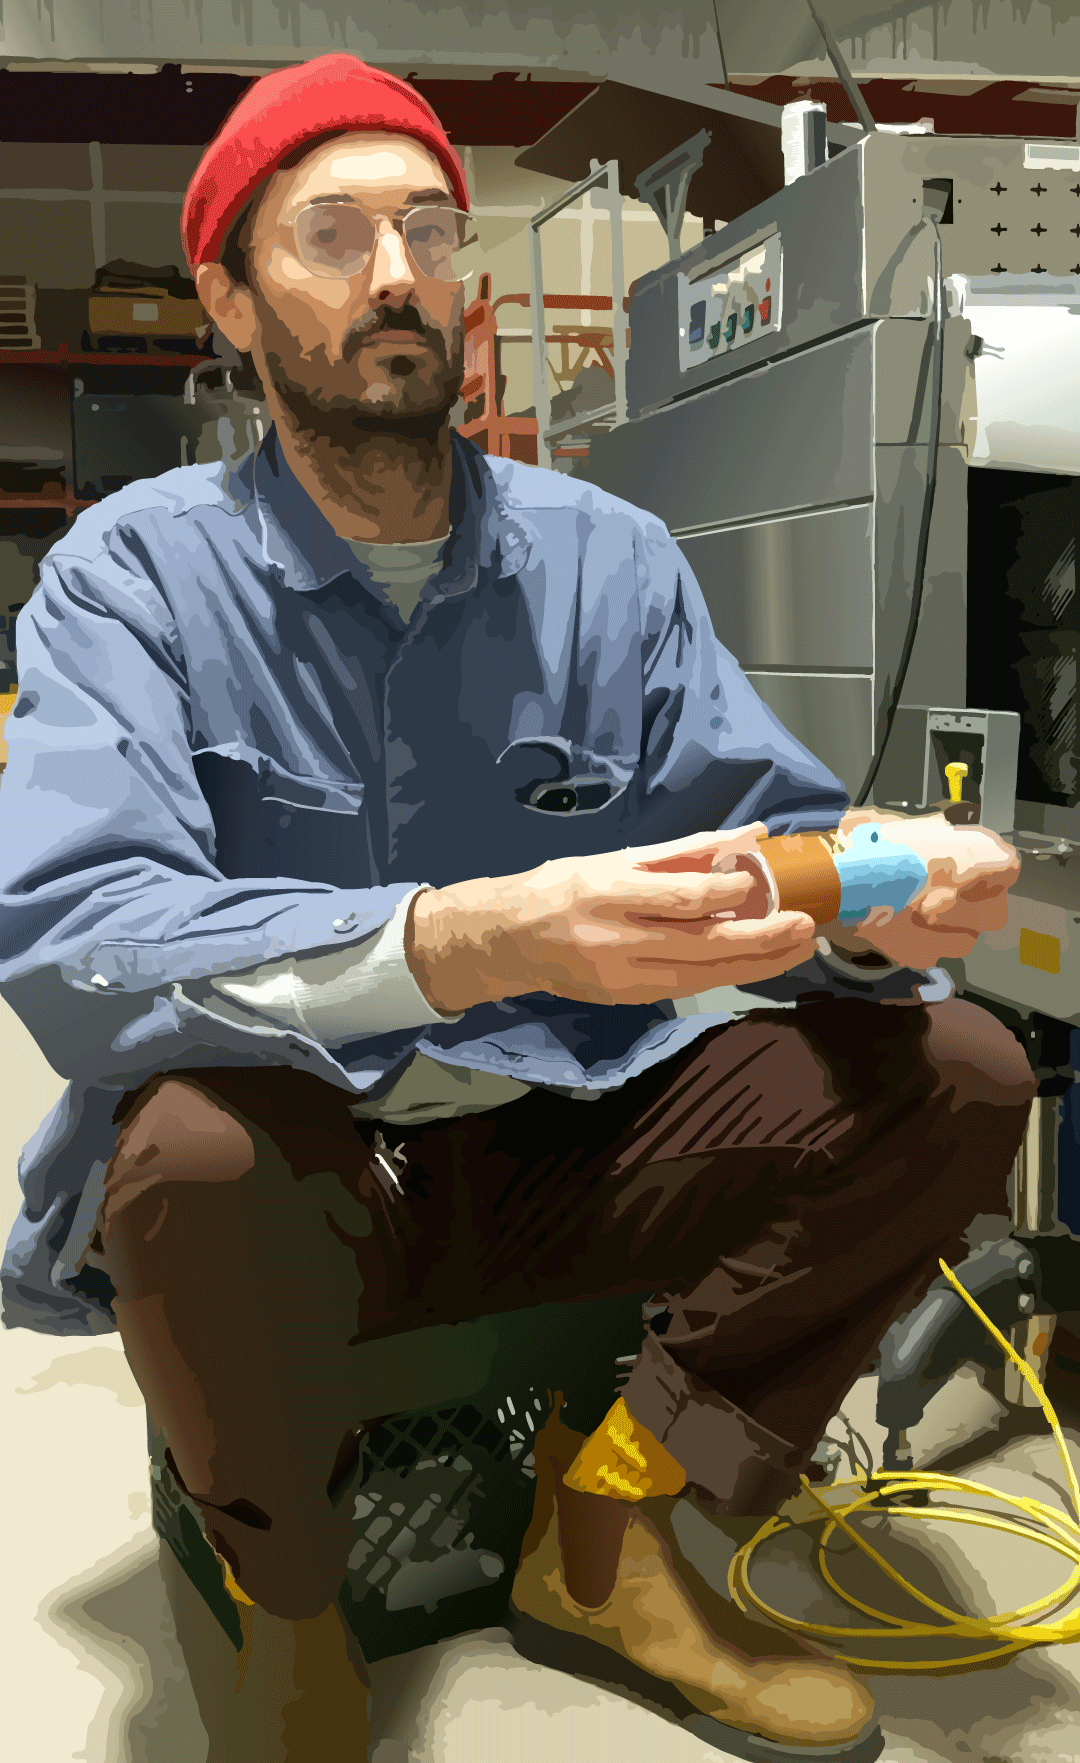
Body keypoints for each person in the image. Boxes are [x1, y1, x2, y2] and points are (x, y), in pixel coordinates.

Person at [0, 53, 1036, 1759]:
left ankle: (609, 1526)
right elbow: (76, 948)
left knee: (962, 1073)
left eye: (429, 228)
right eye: (332, 234)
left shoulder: (605, 561)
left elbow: (761, 830)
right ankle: (293, 1601)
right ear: (232, 301)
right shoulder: (135, 575)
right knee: (185, 1151)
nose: (397, 273)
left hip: (577, 1126)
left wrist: (881, 891)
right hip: (315, 1165)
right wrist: (474, 934)